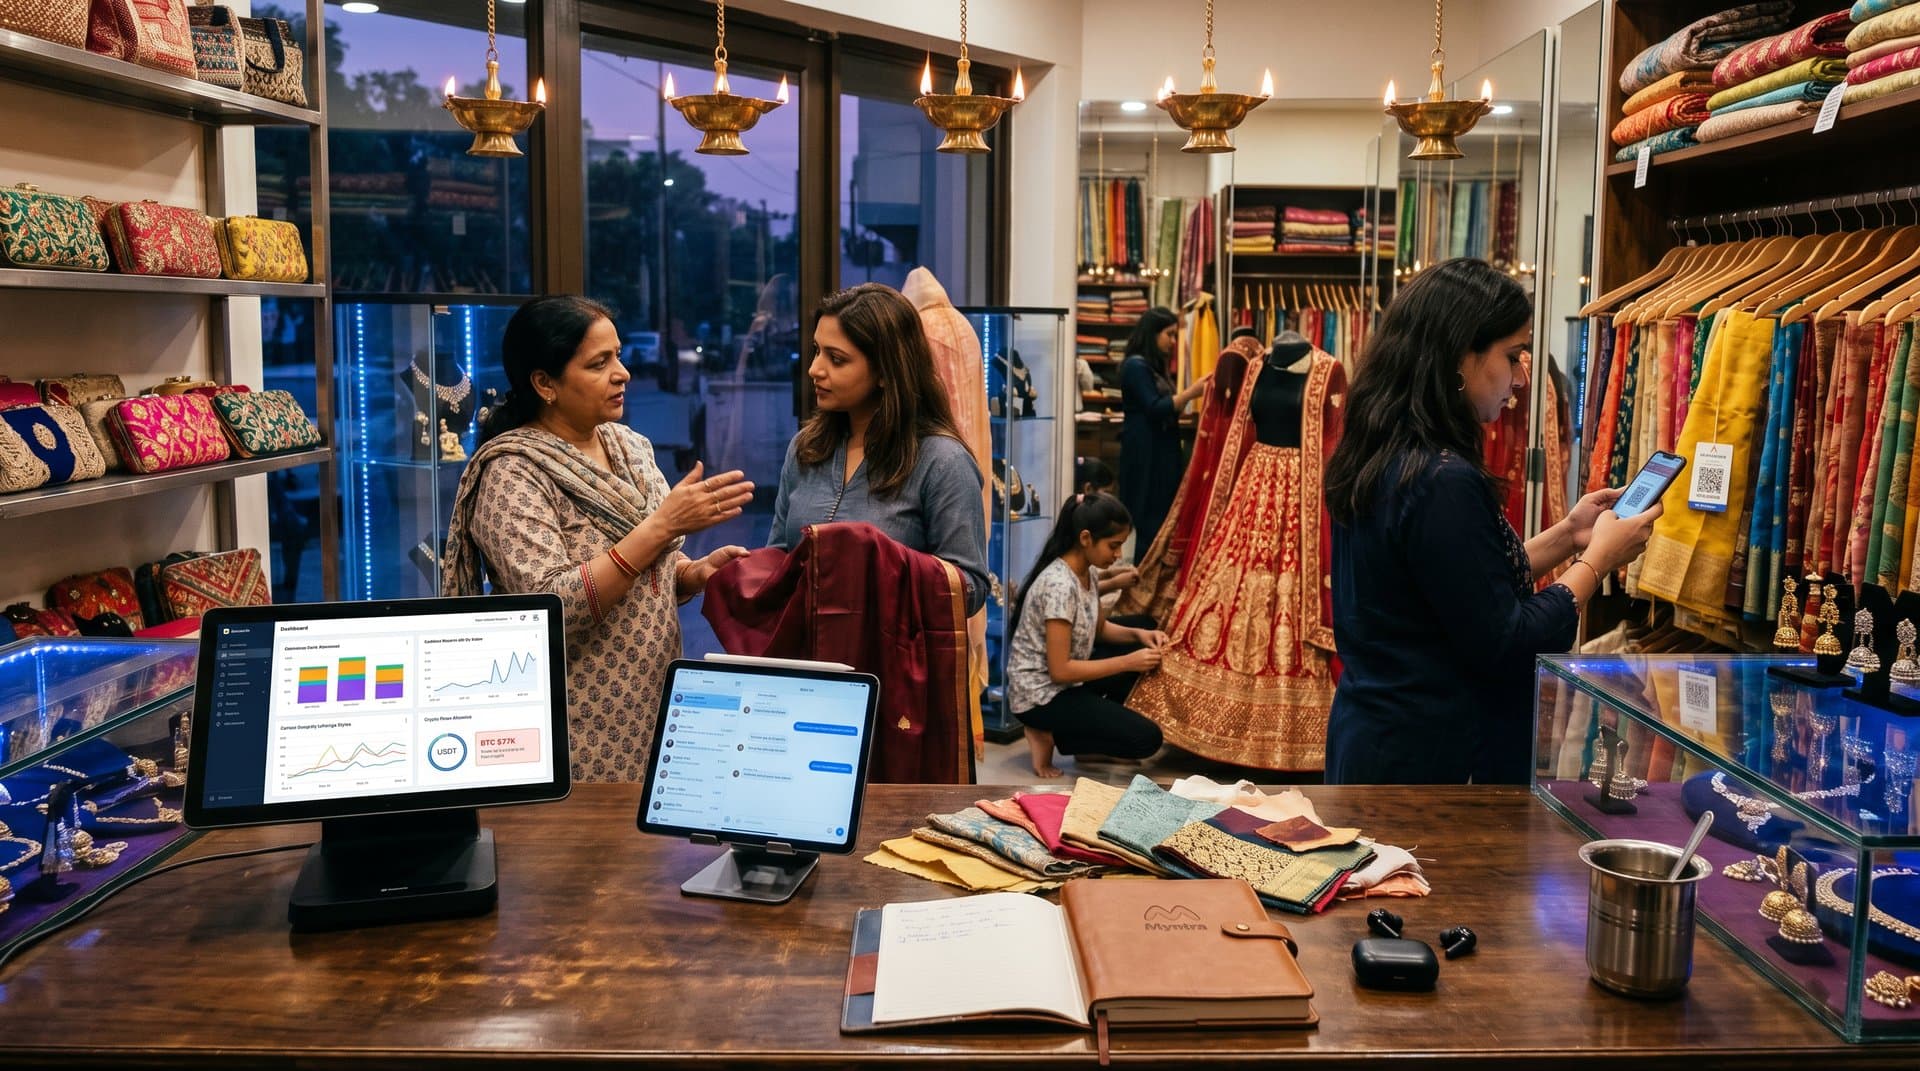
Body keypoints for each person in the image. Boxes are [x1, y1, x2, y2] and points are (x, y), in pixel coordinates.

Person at [1322, 259, 1661, 785]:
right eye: (1512, 356)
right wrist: (1597, 561)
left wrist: (1569, 534)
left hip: (1380, 739)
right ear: (1459, 356)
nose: (1523, 378)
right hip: (1431, 763)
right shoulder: (1441, 479)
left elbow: (1453, 586)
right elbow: (1505, 639)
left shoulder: (1388, 451)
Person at [441, 295, 753, 782]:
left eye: (619, 355)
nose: (622, 372)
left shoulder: (629, 446)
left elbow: (654, 572)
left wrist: (694, 573)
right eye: (599, 362)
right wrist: (662, 526)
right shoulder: (513, 475)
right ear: (545, 383)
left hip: (650, 708)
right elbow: (549, 608)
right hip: (573, 725)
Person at [769, 283, 988, 613]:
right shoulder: (806, 448)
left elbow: (970, 587)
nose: (815, 369)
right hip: (803, 660)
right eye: (817, 350)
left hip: (888, 661)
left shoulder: (942, 462)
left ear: (886, 372)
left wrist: (884, 567)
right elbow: (779, 556)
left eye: (837, 359)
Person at [1006, 493, 1167, 777]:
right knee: (1146, 739)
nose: (1118, 555)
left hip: (1066, 681)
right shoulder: (1059, 585)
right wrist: (1129, 661)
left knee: (1145, 635)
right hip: (1042, 695)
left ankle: (1076, 734)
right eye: (1113, 546)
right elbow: (1060, 670)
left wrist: (1139, 635)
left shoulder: (1085, 572)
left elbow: (1098, 629)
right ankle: (1050, 731)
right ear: (1085, 538)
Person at [1118, 306, 1210, 558]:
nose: (1172, 341)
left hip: (1158, 448)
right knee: (1150, 516)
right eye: (1168, 334)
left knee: (1160, 516)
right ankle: (1143, 579)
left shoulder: (1152, 368)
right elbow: (1154, 407)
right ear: (1152, 333)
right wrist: (1192, 392)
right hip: (1147, 452)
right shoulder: (1136, 367)